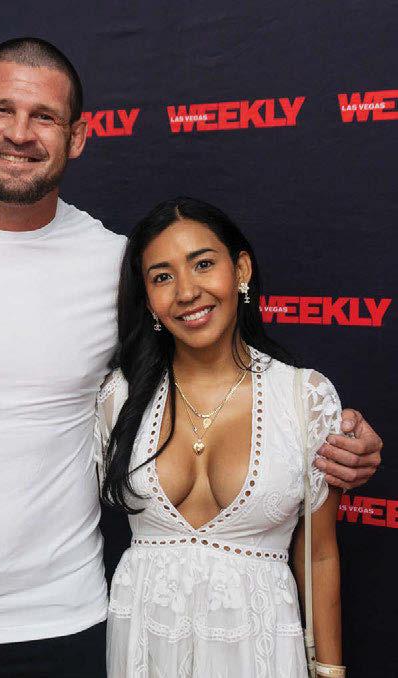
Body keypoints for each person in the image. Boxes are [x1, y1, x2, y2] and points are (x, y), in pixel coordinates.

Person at [0, 38, 380, 678]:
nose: (21, 133)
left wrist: (329, 435)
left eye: (45, 117)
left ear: (77, 137)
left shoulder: (119, 269)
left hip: (65, 626)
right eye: (1, 110)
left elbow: (210, 378)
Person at [96, 197, 348, 677]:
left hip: (260, 651)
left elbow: (319, 554)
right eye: (162, 277)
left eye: (203, 264)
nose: (187, 292)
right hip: (144, 647)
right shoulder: (118, 397)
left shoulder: (304, 397)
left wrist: (331, 671)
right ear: (147, 299)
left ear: (241, 271)